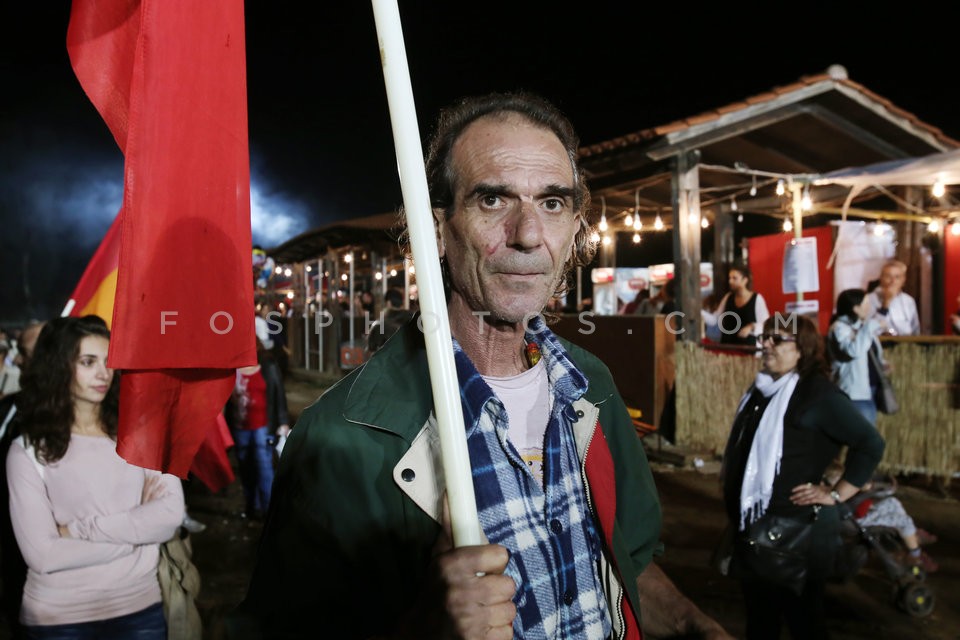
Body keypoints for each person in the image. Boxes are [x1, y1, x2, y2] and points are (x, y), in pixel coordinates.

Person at [236, 92, 731, 639]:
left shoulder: (591, 387)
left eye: (552, 203)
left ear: (574, 228)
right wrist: (421, 630)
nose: (527, 234)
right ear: (436, 230)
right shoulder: (342, 438)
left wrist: (693, 624)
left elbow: (625, 563)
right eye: (493, 200)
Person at [6, 316, 184, 638]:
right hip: (59, 619)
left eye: (107, 361)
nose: (103, 373)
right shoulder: (27, 451)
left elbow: (170, 515)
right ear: (59, 367)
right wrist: (136, 537)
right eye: (88, 362)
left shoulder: (141, 436)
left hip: (139, 608)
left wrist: (77, 530)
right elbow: (43, 555)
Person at [721, 315, 885, 639]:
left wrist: (836, 493)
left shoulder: (818, 395)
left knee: (804, 623)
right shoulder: (764, 388)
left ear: (802, 349)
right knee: (760, 620)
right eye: (765, 337)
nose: (766, 344)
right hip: (758, 527)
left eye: (777, 339)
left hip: (796, 532)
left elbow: (870, 443)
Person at [0, 321, 44, 638]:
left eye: (24, 353)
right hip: (12, 544)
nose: (16, 359)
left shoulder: (89, 416)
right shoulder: (9, 407)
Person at [225, 337, 290, 520]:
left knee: (264, 468)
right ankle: (251, 506)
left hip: (263, 427)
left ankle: (268, 510)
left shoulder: (268, 366)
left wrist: (283, 421)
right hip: (240, 428)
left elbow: (279, 393)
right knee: (246, 469)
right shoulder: (232, 370)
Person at [827, 288, 887, 425]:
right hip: (853, 392)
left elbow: (870, 352)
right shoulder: (839, 328)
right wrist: (870, 326)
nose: (869, 307)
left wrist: (882, 363)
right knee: (861, 435)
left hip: (870, 389)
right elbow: (853, 351)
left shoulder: (862, 326)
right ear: (855, 308)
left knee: (868, 433)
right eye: (866, 304)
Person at [716, 264, 769, 347]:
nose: (730, 281)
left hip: (749, 348)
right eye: (730, 278)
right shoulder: (728, 297)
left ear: (745, 280)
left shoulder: (757, 298)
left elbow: (766, 324)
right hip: (727, 346)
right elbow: (715, 318)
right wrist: (700, 312)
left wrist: (751, 327)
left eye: (734, 278)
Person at [867, 259, 920, 336]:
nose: (893, 281)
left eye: (897, 277)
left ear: (903, 280)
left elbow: (915, 329)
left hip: (905, 341)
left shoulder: (909, 301)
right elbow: (868, 329)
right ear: (881, 278)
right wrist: (885, 304)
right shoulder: (869, 299)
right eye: (888, 276)